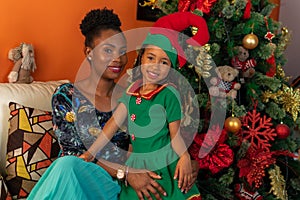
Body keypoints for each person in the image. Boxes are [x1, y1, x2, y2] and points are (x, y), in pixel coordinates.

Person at [28, 8, 200, 200]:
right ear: (89, 53)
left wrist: (186, 163)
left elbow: (161, 136)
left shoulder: (133, 95)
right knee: (66, 165)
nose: (117, 58)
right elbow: (75, 154)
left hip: (121, 186)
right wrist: (125, 173)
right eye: (108, 50)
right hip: (84, 179)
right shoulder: (67, 96)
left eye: (122, 51)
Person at [80, 11, 210, 200]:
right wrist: (90, 153)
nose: (155, 66)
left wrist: (184, 157)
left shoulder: (168, 95)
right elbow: (112, 125)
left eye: (164, 62)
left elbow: (176, 135)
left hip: (164, 162)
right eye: (150, 58)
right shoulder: (131, 93)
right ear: (141, 59)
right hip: (138, 163)